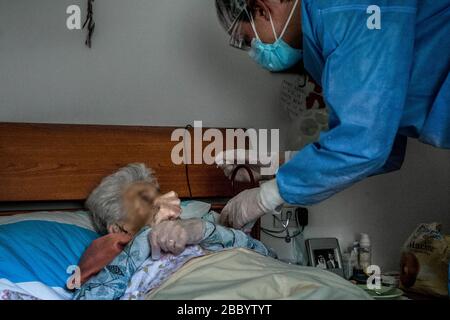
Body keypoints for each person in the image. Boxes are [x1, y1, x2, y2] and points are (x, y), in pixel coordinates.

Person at [213, 0, 450, 230]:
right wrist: (280, 163)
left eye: (248, 41)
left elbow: (364, 144)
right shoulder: (321, 37)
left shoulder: (344, 9)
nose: (255, 52)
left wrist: (265, 197)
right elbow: (382, 143)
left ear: (262, 9)